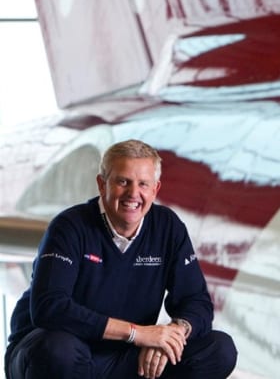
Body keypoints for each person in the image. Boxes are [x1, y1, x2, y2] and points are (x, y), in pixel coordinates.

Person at [4, 139, 237, 379]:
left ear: (156, 189)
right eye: (122, 182)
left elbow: (196, 301)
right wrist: (137, 333)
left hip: (124, 357)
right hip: (53, 352)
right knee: (58, 350)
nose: (133, 194)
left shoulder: (168, 227)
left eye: (143, 184)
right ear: (101, 184)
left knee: (219, 349)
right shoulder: (69, 226)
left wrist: (173, 334)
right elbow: (49, 308)